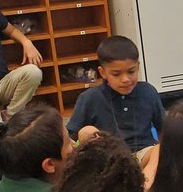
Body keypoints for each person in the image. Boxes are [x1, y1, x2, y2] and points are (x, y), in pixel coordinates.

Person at [66, 35, 164, 177]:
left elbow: (164, 130)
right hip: (106, 160)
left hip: (144, 155)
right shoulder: (89, 98)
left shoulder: (148, 91)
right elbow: (69, 138)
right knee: (86, 131)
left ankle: (144, 185)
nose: (125, 79)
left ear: (138, 66)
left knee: (160, 151)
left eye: (131, 71)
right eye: (116, 74)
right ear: (103, 72)